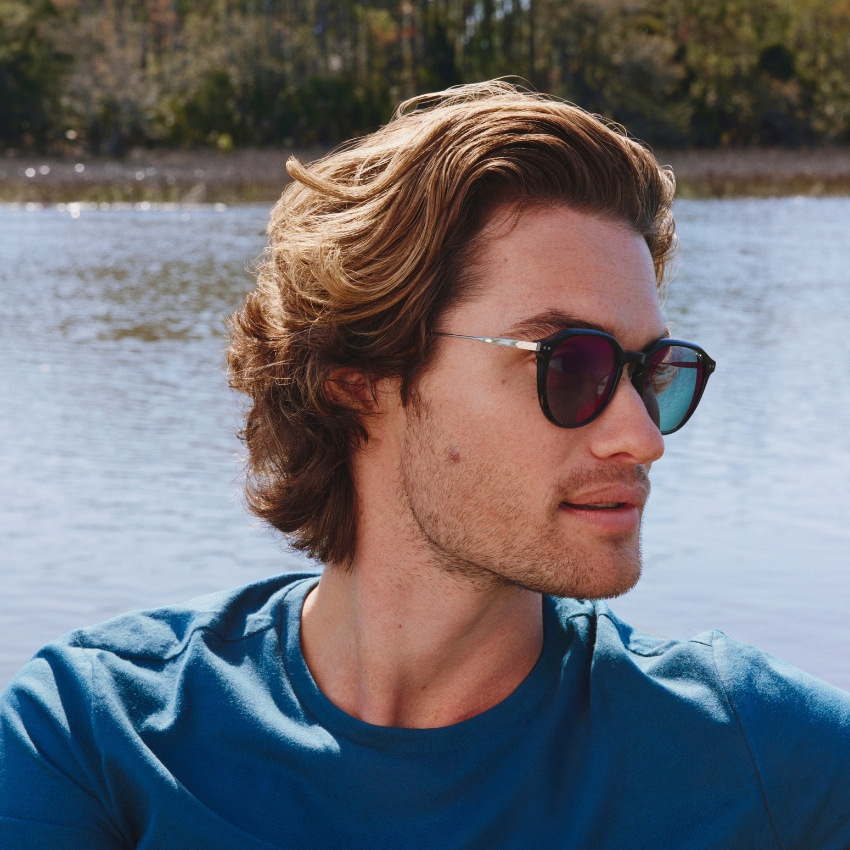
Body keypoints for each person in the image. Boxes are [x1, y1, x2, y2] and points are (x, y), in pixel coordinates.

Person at [1, 82, 848, 850]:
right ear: (359, 381)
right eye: (572, 364)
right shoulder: (98, 735)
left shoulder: (767, 759)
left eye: (651, 372)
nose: (642, 436)